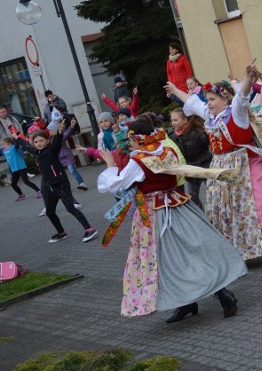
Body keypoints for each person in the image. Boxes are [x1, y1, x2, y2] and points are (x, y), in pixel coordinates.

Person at [96, 117, 246, 322]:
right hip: (178, 205)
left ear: (138, 139)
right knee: (189, 254)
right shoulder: (166, 150)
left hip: (156, 213)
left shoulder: (139, 160)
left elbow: (115, 186)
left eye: (130, 138)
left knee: (168, 259)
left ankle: (219, 295)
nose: (128, 142)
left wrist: (111, 165)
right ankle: (190, 301)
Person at [165, 68, 262, 261]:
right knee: (226, 208)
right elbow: (191, 102)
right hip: (221, 166)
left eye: (212, 99)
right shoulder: (209, 116)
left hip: (243, 165)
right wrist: (175, 90)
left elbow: (242, 96)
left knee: (260, 201)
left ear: (225, 99)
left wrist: (247, 78)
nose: (208, 103)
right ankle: (236, 248)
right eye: (208, 99)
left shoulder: (236, 113)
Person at [29, 124, 97, 244]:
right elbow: (25, 145)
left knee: (70, 207)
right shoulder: (37, 153)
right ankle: (61, 233)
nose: (39, 143)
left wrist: (60, 132)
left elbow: (57, 143)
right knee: (49, 211)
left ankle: (89, 229)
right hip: (49, 186)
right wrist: (16, 137)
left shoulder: (51, 150)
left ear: (47, 141)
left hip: (61, 183)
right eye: (36, 142)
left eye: (41, 141)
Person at [169, 108, 212, 210]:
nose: (173, 123)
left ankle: (214, 216)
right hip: (191, 171)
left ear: (185, 120)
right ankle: (202, 219)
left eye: (176, 120)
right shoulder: (171, 136)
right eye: (172, 120)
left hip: (207, 167)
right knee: (193, 198)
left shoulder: (198, 132)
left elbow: (210, 143)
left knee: (213, 194)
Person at [0, 137, 41, 201]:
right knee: (13, 184)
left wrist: (15, 137)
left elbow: (17, 144)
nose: (3, 146)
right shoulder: (4, 151)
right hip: (14, 170)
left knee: (26, 181)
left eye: (4, 144)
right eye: (2, 144)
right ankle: (21, 195)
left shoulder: (14, 148)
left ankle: (39, 191)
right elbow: (0, 151)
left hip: (21, 167)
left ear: (9, 144)